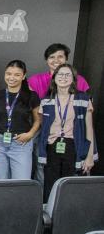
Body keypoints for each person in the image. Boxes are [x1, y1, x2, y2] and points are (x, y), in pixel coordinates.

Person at [38, 63, 96, 199]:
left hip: (73, 146)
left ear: (73, 79)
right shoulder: (46, 100)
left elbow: (89, 129)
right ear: (54, 77)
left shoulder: (83, 99)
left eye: (67, 74)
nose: (63, 77)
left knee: (70, 187)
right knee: (50, 187)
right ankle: (49, 217)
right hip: (52, 146)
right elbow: (43, 127)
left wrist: (89, 157)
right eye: (60, 74)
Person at [0, 60, 41, 181]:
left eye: (17, 74)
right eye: (8, 73)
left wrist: (30, 134)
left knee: (20, 182)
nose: (12, 78)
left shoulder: (31, 96)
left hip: (21, 144)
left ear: (24, 76)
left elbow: (38, 120)